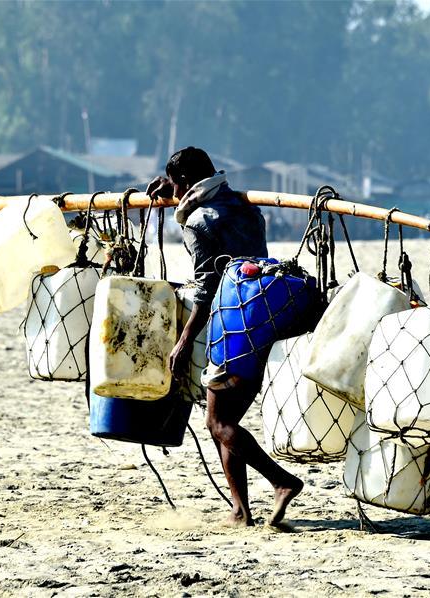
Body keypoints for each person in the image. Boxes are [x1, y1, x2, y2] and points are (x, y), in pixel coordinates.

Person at [146, 147, 303, 527]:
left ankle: (282, 482)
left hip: (232, 321)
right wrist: (173, 187)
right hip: (264, 310)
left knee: (217, 422)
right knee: (227, 418)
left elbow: (205, 287)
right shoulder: (245, 206)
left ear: (184, 185)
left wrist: (183, 342)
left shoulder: (199, 222)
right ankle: (240, 510)